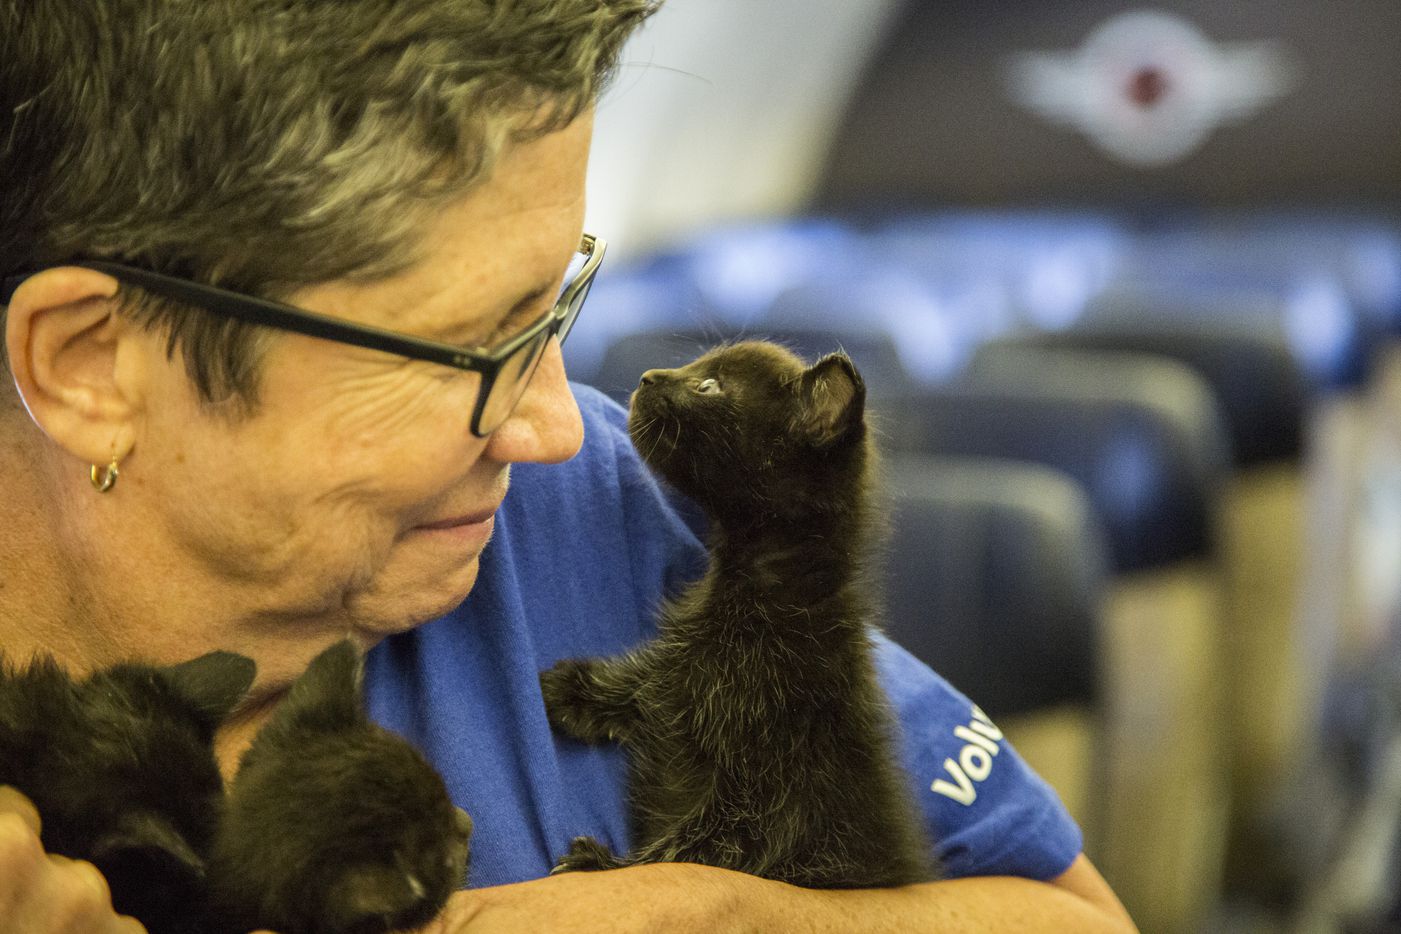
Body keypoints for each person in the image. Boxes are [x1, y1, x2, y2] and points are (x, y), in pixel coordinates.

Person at [0, 1, 1137, 930]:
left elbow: (1079, 916)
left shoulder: (595, 509)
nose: (554, 419)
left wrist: (738, 916)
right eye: (472, 346)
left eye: (555, 304)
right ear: (94, 366)